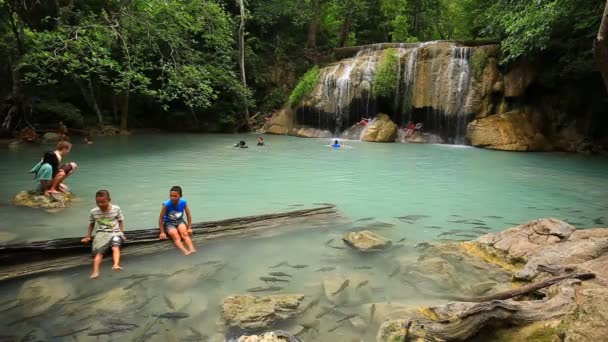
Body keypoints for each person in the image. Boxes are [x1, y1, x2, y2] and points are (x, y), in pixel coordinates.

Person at [81, 190, 126, 279]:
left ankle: (116, 265)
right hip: (102, 233)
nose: (100, 204)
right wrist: (88, 236)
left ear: (109, 200)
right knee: (99, 252)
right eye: (98, 202)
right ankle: (95, 271)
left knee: (115, 246)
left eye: (103, 202)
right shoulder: (94, 211)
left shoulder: (116, 208)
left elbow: (120, 221)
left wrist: (122, 232)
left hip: (115, 232)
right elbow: (91, 224)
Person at [158, 186, 195, 255]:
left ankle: (191, 248)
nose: (172, 198)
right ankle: (185, 251)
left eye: (175, 196)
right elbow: (160, 218)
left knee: (184, 233)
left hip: (180, 220)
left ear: (180, 196)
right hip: (169, 223)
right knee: (175, 236)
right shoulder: (166, 205)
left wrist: (189, 228)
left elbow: (188, 215)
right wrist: (162, 232)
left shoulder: (183, 202)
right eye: (171, 196)